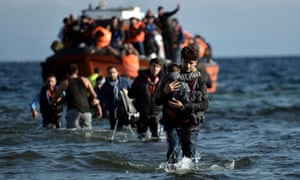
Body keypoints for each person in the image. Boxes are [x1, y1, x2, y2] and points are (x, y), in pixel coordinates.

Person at [155, 46, 209, 165]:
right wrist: (165, 91)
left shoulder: (200, 80)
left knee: (190, 157)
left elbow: (204, 104)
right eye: (185, 62)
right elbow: (157, 101)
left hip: (191, 123)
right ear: (181, 60)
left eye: (191, 63)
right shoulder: (170, 76)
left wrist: (183, 107)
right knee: (173, 152)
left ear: (196, 63)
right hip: (171, 122)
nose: (188, 66)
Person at [52, 64, 102, 129]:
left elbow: (55, 98)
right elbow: (94, 96)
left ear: (67, 73)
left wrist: (52, 104)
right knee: (87, 134)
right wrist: (99, 108)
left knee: (72, 134)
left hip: (73, 111)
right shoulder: (85, 80)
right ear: (77, 71)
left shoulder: (65, 83)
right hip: (86, 111)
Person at [128, 58, 164, 140]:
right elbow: (131, 94)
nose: (155, 69)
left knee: (156, 138)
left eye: (158, 67)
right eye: (153, 66)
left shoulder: (163, 80)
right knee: (141, 138)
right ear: (150, 67)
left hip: (157, 112)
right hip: (143, 112)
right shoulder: (140, 79)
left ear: (160, 68)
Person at [97, 66, 132, 130]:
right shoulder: (105, 85)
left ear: (117, 73)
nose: (112, 74)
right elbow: (100, 98)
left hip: (126, 111)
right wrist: (101, 110)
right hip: (113, 112)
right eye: (110, 73)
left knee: (129, 129)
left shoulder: (125, 81)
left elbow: (135, 92)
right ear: (107, 74)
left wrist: (128, 93)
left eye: (114, 72)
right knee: (115, 130)